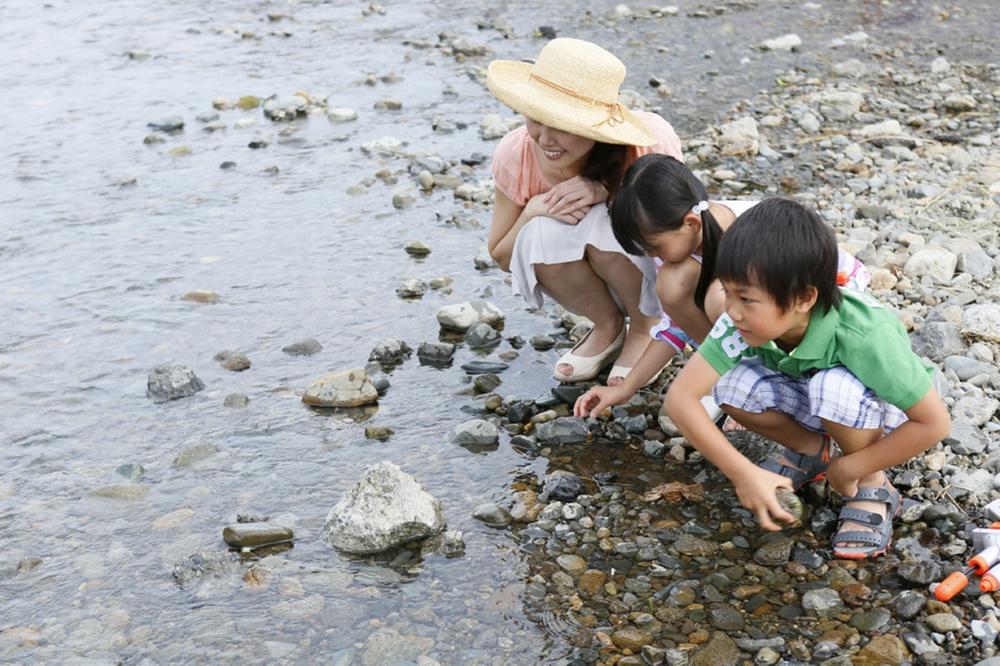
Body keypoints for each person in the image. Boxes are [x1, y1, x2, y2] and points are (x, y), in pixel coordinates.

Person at [663, 198, 950, 559]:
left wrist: (852, 467)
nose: (731, 310)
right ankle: (813, 451)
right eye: (728, 291)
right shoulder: (740, 321)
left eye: (747, 299)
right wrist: (743, 473)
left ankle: (873, 483)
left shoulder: (863, 333)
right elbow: (681, 398)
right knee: (730, 385)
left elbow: (934, 423)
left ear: (803, 299)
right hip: (810, 394)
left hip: (885, 410)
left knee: (832, 388)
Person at [574, 155, 869, 417]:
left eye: (653, 247)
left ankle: (767, 387)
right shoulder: (684, 245)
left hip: (826, 296)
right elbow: (675, 327)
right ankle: (734, 375)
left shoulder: (748, 240)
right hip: (773, 314)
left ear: (690, 223)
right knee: (676, 285)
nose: (651, 256)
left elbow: (795, 299)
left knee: (721, 300)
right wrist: (626, 388)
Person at [485, 38, 684, 383]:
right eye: (536, 118)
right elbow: (503, 256)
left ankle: (645, 326)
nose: (544, 138)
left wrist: (610, 190)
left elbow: (685, 238)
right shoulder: (516, 153)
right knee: (539, 230)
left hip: (650, 279)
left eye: (561, 125)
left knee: (609, 221)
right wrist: (533, 210)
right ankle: (606, 327)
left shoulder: (649, 143)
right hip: (588, 286)